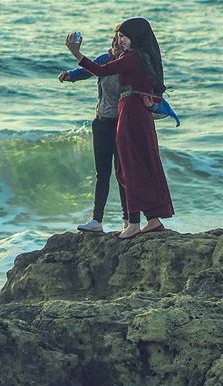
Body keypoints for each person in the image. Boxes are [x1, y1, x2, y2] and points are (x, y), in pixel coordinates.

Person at [66, 17, 174, 239]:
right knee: (137, 165)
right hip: (134, 111)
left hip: (131, 113)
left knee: (128, 168)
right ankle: (152, 220)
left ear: (134, 37)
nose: (119, 40)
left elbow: (101, 70)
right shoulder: (142, 57)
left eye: (123, 36)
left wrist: (76, 53)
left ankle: (133, 224)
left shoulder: (133, 57)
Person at [59, 29, 128, 233]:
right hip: (102, 122)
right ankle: (96, 221)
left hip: (122, 123)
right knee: (102, 173)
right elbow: (87, 70)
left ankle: (128, 221)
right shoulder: (104, 59)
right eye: (114, 39)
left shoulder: (128, 63)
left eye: (120, 40)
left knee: (122, 173)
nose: (116, 43)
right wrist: (69, 75)